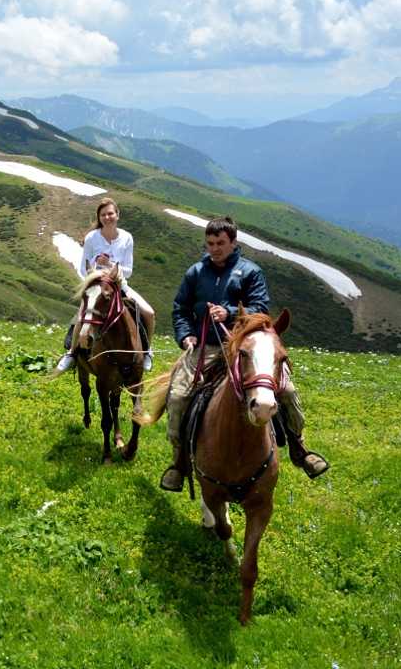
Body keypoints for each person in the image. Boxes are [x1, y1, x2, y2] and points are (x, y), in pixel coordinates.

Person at [159, 215, 328, 492]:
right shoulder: (195, 273)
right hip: (208, 346)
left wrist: (229, 312)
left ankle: (299, 448)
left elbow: (260, 308)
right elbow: (180, 308)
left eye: (220, 243)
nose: (214, 248)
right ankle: (179, 462)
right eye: (210, 243)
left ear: (233, 242)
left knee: (286, 391)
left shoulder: (251, 272)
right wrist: (186, 335)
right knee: (178, 397)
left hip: (246, 347)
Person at [54, 197, 155, 373]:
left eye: (110, 214)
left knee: (149, 313)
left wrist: (109, 265)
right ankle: (71, 353)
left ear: (117, 215)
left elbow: (128, 270)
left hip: (120, 285)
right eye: (103, 215)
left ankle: (146, 352)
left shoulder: (126, 238)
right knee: (81, 317)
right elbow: (83, 268)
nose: (107, 217)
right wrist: (97, 267)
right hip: (98, 286)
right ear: (99, 218)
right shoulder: (92, 238)